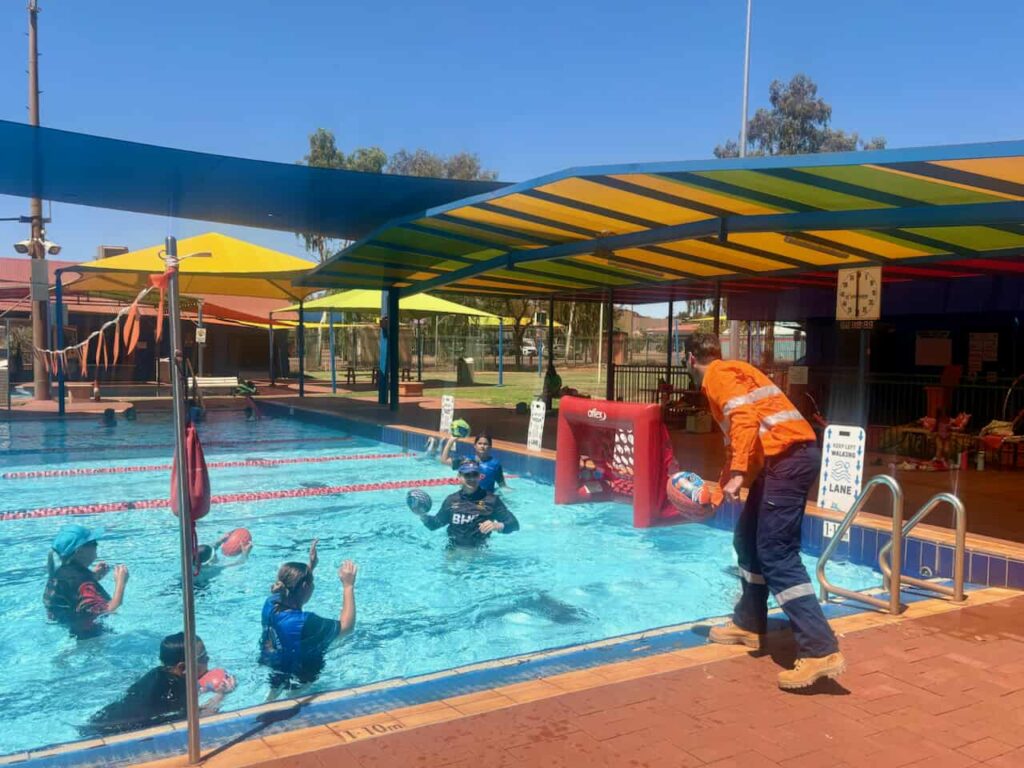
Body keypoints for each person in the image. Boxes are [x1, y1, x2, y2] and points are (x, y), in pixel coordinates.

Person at [686, 332, 844, 689]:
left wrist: (738, 473)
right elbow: (748, 439)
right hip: (783, 460)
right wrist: (726, 480)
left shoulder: (717, 377)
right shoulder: (736, 370)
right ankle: (749, 624)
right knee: (747, 539)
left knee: (776, 552)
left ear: (690, 359)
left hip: (788, 460)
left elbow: (742, 420)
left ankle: (820, 649)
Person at [83, 632, 233, 736]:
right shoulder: (174, 691)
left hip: (98, 722)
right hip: (113, 733)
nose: (208, 659)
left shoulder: (157, 673)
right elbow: (195, 720)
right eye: (203, 657)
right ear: (182, 667)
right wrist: (222, 694)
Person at [259, 540, 357, 692]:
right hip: (301, 676)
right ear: (305, 586)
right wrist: (348, 585)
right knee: (292, 708)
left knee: (271, 701)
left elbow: (292, 590)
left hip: (274, 665)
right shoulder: (305, 622)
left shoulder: (270, 603)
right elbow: (347, 627)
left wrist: (311, 566)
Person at [43, 524, 129, 638]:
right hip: (91, 636)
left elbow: (72, 594)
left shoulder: (60, 572)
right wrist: (120, 582)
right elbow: (109, 609)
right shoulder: (82, 580)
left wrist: (93, 577)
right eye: (93, 543)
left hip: (72, 628)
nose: (97, 545)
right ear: (80, 551)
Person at [412, 461, 519, 547]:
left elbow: (514, 524)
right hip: (453, 551)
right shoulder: (451, 500)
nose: (471, 478)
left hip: (479, 552)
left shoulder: (491, 500)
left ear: (480, 476)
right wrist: (422, 514)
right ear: (459, 477)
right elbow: (435, 525)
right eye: (467, 475)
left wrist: (497, 526)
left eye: (475, 474)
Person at [440, 432, 507, 492]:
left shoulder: (495, 465)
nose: (482, 446)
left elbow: (502, 486)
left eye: (485, 444)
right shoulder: (466, 460)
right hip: (468, 497)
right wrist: (451, 441)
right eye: (479, 443)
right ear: (475, 446)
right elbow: (444, 460)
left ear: (490, 447)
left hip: (486, 499)